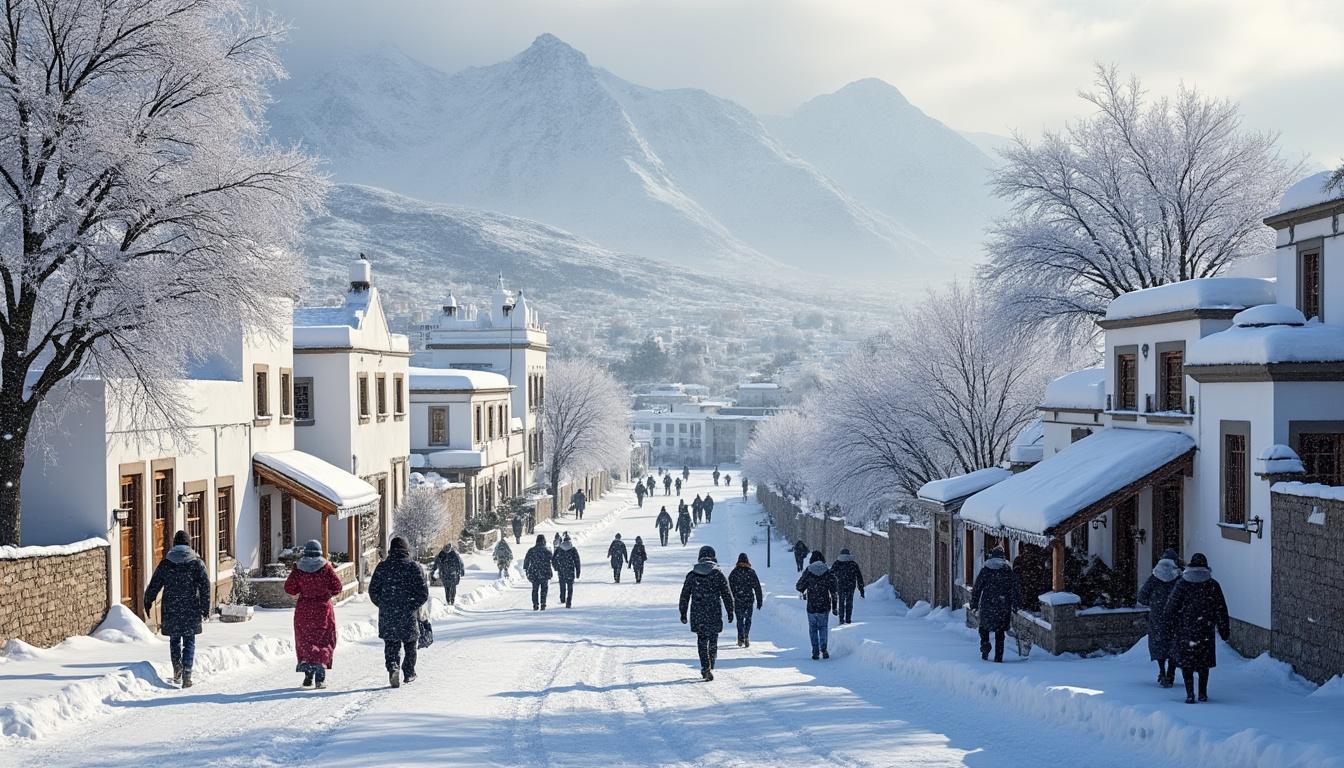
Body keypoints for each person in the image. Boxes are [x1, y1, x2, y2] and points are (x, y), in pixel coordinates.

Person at [143, 530, 210, 688]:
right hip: (191, 607)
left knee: (174, 640)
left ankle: (177, 669)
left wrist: (148, 600)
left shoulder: (166, 564)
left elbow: (155, 583)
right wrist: (205, 607)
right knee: (189, 641)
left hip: (171, 607)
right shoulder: (196, 563)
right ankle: (187, 672)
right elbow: (205, 586)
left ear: (174, 544)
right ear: (188, 544)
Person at [1162, 552, 1229, 704]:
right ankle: (1203, 693)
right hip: (1205, 629)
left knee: (1187, 663)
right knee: (1203, 663)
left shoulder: (1182, 584)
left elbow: (1170, 607)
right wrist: (1224, 629)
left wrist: (1169, 625)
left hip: (1185, 630)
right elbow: (1221, 608)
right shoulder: (1212, 585)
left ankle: (1190, 693)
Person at [368, 537, 430, 688]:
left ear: (391, 549)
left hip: (388, 613)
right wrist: (412, 605)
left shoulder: (383, 567)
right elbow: (423, 592)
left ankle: (393, 666)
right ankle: (409, 672)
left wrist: (383, 604)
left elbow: (373, 590)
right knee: (410, 643)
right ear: (406, 549)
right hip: (408, 613)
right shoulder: (413, 567)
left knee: (391, 643)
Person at [283, 539, 343, 689]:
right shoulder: (326, 568)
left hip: (304, 609)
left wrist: (303, 589)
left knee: (306, 640)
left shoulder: (298, 568)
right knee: (323, 639)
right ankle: (320, 676)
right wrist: (326, 593)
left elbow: (289, 588)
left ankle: (308, 676)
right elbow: (337, 587)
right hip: (323, 609)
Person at [679, 545, 734, 681]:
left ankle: (705, 666)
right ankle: (711, 661)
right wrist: (730, 610)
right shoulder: (718, 574)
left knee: (702, 640)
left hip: (698, 612)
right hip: (714, 611)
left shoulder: (692, 575)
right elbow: (727, 594)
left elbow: (685, 595)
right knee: (713, 638)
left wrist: (683, 612)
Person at [1137, 548, 1182, 688]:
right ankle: (1171, 673)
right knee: (1174, 644)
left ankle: (1162, 671)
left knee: (1159, 643)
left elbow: (1141, 596)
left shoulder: (1154, 577)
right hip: (1175, 616)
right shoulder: (1179, 577)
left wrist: (1153, 603)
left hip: (1157, 617)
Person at [970, 546, 1020, 663]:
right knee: (1000, 633)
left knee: (984, 628)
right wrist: (1015, 604)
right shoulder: (1007, 571)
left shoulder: (985, 570)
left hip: (987, 604)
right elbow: (1014, 589)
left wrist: (974, 604)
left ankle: (985, 644)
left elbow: (977, 588)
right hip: (1003, 605)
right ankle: (998, 657)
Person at [795, 551, 838, 660]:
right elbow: (834, 591)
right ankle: (824, 649)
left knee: (813, 628)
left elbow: (799, 586)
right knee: (823, 627)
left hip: (812, 606)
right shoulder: (827, 571)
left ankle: (815, 650)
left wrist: (807, 586)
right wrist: (834, 607)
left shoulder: (808, 571)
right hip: (824, 605)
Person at [728, 553, 763, 647]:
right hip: (748, 599)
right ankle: (746, 634)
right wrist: (759, 600)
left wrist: (734, 594)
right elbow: (757, 587)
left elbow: (729, 586)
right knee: (748, 619)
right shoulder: (751, 572)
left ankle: (740, 637)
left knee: (739, 619)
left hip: (738, 599)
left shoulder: (734, 573)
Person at [830, 548, 865, 624]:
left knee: (841, 602)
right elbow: (859, 577)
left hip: (840, 585)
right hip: (850, 586)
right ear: (849, 554)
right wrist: (861, 589)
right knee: (849, 602)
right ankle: (848, 619)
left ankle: (841, 619)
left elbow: (831, 574)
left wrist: (832, 583)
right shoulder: (853, 564)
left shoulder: (837, 563)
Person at [523, 534, 554, 610]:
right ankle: (543, 603)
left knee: (535, 589)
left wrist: (526, 569)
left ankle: (535, 604)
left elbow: (526, 560)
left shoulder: (531, 550)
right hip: (545, 572)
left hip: (534, 573)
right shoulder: (547, 551)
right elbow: (553, 560)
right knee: (544, 589)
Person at [553, 535, 581, 608]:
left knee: (562, 585)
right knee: (570, 587)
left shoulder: (559, 549)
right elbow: (577, 561)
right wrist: (578, 572)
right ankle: (569, 601)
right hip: (570, 570)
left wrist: (556, 567)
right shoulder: (573, 550)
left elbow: (553, 559)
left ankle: (562, 598)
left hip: (561, 570)